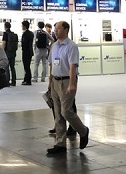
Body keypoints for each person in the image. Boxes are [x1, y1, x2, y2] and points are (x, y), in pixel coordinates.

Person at [47, 21, 89, 155]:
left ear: (66, 30)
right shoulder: (54, 46)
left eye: (58, 29)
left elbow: (72, 66)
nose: (55, 31)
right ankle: (60, 144)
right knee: (58, 114)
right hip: (55, 81)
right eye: (55, 29)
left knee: (66, 111)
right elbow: (51, 64)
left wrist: (72, 83)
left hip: (66, 81)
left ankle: (83, 131)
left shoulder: (71, 46)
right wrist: (50, 81)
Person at [1, 22, 18, 86]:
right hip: (13, 52)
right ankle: (14, 81)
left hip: (7, 52)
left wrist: (2, 51)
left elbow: (4, 43)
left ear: (5, 27)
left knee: (6, 67)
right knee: (12, 67)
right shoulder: (13, 34)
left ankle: (7, 81)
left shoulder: (5, 34)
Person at [20, 20, 34, 85]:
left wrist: (23, 49)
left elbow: (24, 43)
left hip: (26, 52)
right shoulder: (31, 33)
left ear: (24, 26)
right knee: (27, 66)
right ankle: (26, 79)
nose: (21, 27)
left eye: (22, 25)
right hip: (30, 51)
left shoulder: (25, 34)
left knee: (26, 66)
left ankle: (28, 80)